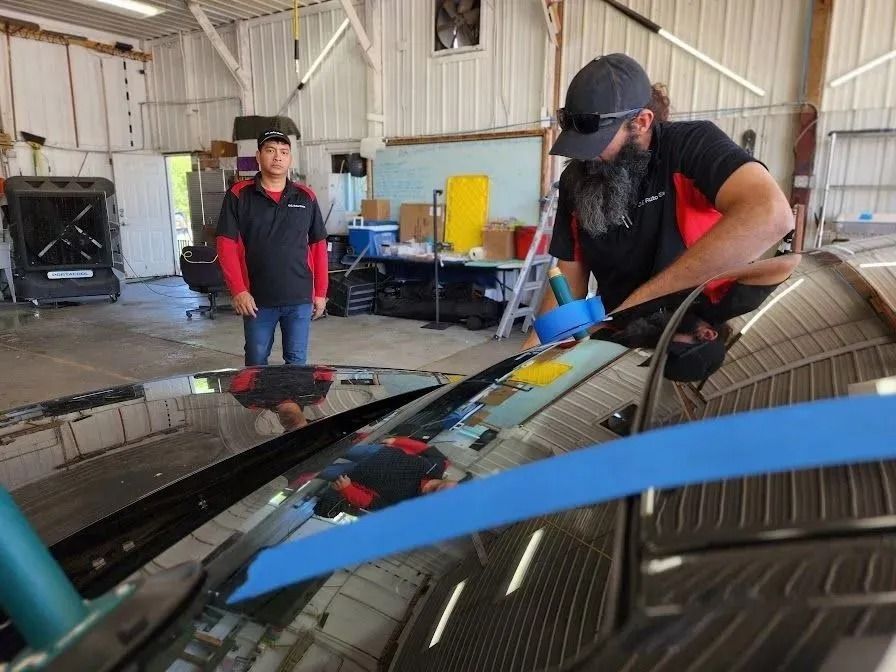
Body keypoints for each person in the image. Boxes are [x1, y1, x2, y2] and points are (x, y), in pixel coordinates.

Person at [523, 53, 792, 349]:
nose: (586, 156)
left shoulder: (690, 146)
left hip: (705, 332)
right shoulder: (579, 179)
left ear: (640, 122)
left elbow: (771, 213)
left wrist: (643, 299)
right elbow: (569, 280)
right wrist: (531, 352)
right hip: (629, 339)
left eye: (597, 143)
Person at [216, 129, 329, 366]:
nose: (277, 157)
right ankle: (258, 404)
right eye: (270, 151)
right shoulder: (239, 195)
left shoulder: (305, 196)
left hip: (299, 297)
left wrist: (320, 292)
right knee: (256, 362)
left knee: (297, 363)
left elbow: (318, 246)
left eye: (283, 152)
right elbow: (226, 246)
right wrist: (238, 290)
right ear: (258, 156)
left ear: (290, 159)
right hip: (257, 299)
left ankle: (292, 401)